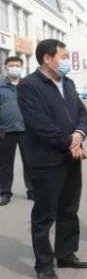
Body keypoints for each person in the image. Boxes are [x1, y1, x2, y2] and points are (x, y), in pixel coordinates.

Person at [17, 39, 87, 279]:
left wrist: (79, 134)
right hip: (46, 160)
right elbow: (39, 124)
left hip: (71, 159)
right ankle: (44, 264)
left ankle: (66, 254)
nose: (67, 61)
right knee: (45, 214)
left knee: (69, 209)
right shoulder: (29, 86)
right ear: (48, 59)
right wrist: (70, 143)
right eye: (64, 56)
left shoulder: (68, 83)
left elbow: (82, 114)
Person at [0, 57, 32, 206]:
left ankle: (32, 190)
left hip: (27, 130)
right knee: (4, 164)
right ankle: (4, 193)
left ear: (22, 67)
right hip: (5, 131)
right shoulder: (1, 86)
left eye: (17, 65)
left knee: (30, 162)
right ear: (6, 67)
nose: (15, 68)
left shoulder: (28, 86)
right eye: (12, 65)